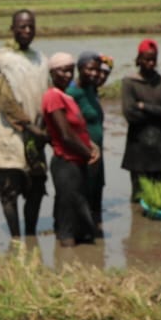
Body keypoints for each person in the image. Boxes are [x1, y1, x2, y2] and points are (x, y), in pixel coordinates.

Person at [0, 10, 47, 238]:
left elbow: (47, 92)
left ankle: (30, 236)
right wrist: (29, 126)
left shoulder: (40, 59)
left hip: (37, 134)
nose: (27, 31)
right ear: (12, 29)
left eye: (31, 26)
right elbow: (5, 100)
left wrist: (42, 130)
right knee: (9, 190)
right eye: (22, 26)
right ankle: (16, 238)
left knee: (36, 188)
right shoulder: (1, 59)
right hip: (9, 133)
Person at [43, 53, 102, 246]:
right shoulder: (52, 96)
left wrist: (91, 145)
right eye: (62, 71)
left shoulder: (66, 96)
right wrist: (89, 153)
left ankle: (76, 261)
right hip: (66, 163)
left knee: (81, 223)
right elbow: (65, 134)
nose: (68, 75)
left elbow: (79, 129)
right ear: (52, 72)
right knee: (69, 221)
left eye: (70, 71)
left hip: (77, 163)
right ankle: (66, 262)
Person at [121, 38, 161, 201]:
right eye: (147, 59)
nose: (151, 63)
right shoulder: (129, 83)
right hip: (138, 149)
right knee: (140, 197)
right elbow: (130, 115)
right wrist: (159, 113)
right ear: (139, 59)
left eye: (154, 59)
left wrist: (144, 106)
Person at [68, 51, 108, 231]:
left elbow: (107, 69)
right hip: (83, 153)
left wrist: (105, 64)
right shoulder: (72, 92)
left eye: (97, 70)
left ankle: (95, 231)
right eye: (89, 69)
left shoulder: (91, 88)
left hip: (98, 152)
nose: (94, 73)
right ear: (79, 68)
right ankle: (83, 231)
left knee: (96, 191)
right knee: (83, 192)